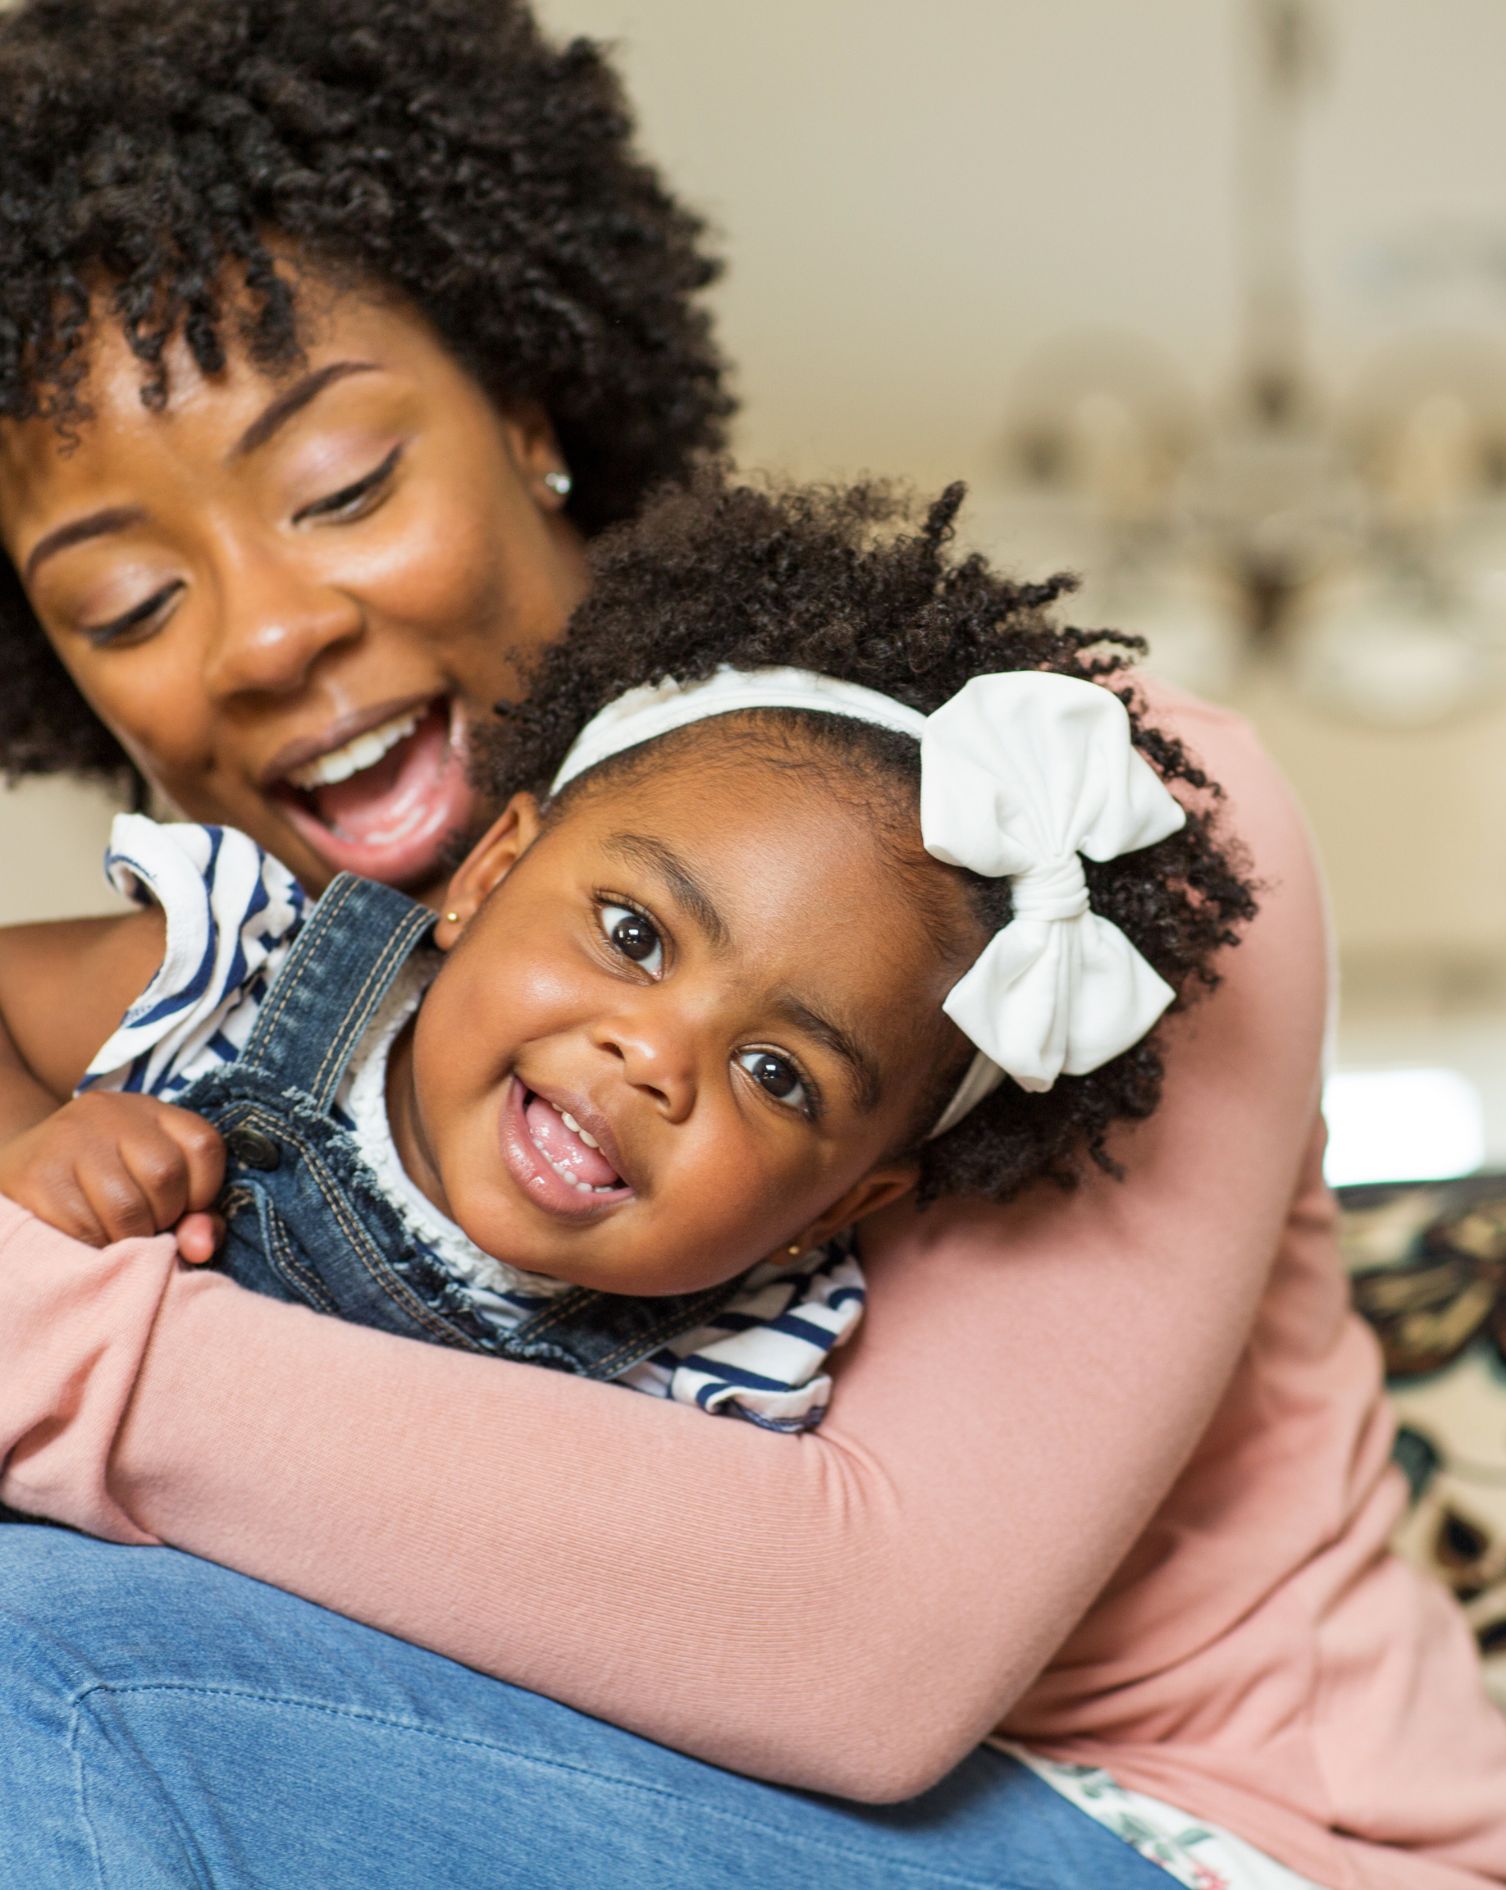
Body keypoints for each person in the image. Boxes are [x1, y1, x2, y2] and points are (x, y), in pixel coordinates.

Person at [0, 2, 1506, 1887]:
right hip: (618, 1779)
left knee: (46, 1667)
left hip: (1194, 1842)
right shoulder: (251, 972)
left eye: (342, 487)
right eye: (129, 598)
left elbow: (877, 1653)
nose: (258, 638)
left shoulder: (1048, 837)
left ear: (529, 408)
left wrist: (57, 1347)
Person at [0, 474, 1251, 1436]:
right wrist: (28, 1164)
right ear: (490, 873)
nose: (656, 1056)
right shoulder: (247, 976)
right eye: (636, 936)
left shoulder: (740, 1368)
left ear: (825, 1215)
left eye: (777, 1074)